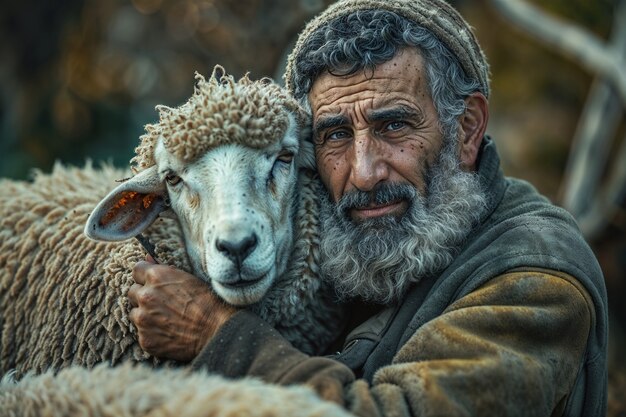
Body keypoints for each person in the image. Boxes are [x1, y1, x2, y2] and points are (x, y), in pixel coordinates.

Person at [127, 0, 608, 415]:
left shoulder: (537, 280)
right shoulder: (341, 253)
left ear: (467, 128)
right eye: (335, 134)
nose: (363, 172)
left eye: (394, 126)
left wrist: (215, 331)